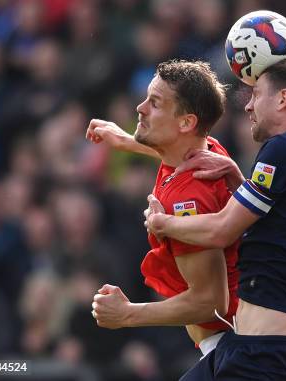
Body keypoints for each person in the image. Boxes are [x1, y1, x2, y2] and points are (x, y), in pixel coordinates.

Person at [147, 58, 286, 381]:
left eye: (256, 95)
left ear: (282, 99)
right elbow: (283, 222)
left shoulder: (283, 148)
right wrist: (239, 178)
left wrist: (163, 224)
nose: (248, 106)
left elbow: (222, 230)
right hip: (257, 346)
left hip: (266, 356)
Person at [85, 60, 240, 363]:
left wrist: (128, 314)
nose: (140, 108)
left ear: (185, 123)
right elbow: (180, 148)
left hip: (230, 350)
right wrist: (127, 141)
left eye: (154, 103)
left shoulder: (189, 199)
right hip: (230, 345)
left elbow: (211, 303)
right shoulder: (208, 152)